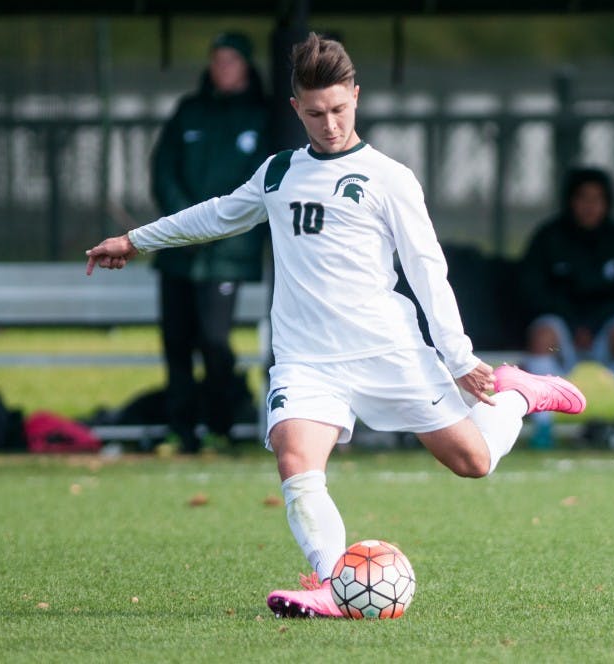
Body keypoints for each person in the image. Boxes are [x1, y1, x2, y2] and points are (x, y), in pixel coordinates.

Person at [85, 34, 587, 618]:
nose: (329, 124)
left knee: (472, 462)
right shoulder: (278, 175)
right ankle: (331, 584)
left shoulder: (388, 178)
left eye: (340, 109)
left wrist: (459, 358)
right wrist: (134, 240)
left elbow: (429, 272)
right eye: (316, 113)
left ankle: (516, 397)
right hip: (306, 359)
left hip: (386, 350)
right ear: (297, 108)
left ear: (356, 95)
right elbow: (218, 214)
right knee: (295, 458)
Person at [150, 32, 270, 453]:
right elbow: (163, 170)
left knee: (215, 340)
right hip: (178, 254)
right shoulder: (188, 112)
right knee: (176, 340)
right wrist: (185, 224)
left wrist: (216, 228)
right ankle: (182, 431)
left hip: (227, 256)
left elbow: (260, 188)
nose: (222, 68)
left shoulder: (263, 116)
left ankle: (223, 424)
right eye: (216, 60)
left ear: (246, 65)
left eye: (230, 60)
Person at [517, 167, 614, 450]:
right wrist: (574, 325)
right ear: (570, 201)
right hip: (564, 333)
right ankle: (543, 428)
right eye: (582, 198)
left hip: (603, 332)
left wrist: (593, 325)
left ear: (607, 203)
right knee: (542, 336)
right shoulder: (548, 237)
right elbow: (533, 291)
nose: (590, 206)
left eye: (597, 199)